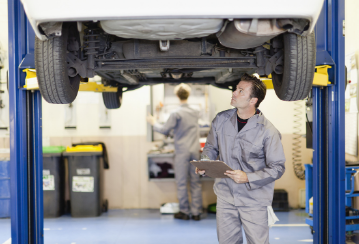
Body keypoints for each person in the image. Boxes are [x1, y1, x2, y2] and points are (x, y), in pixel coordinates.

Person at [196, 74, 286, 243]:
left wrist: (248, 177)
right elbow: (210, 147)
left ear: (253, 100)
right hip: (225, 196)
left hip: (254, 200)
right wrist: (205, 162)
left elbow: (278, 167)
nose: (234, 93)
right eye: (236, 88)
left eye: (240, 91)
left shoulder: (268, 131)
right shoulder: (221, 120)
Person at [147, 83, 203, 221]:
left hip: (182, 152)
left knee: (182, 182)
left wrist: (153, 122)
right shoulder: (195, 111)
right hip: (195, 151)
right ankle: (196, 213)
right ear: (188, 95)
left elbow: (165, 130)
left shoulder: (176, 113)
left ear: (177, 96)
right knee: (196, 181)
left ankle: (184, 212)